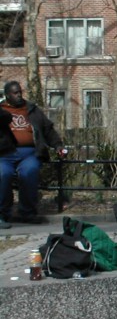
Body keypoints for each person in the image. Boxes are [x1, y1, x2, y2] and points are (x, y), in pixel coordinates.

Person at [0, 81, 66, 227]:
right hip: (5, 154)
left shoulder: (31, 109)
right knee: (3, 174)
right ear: (7, 95)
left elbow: (47, 129)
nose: (18, 95)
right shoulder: (1, 110)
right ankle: (3, 214)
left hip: (29, 152)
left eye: (19, 92)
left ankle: (27, 213)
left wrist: (58, 145)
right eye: (14, 93)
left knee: (29, 171)